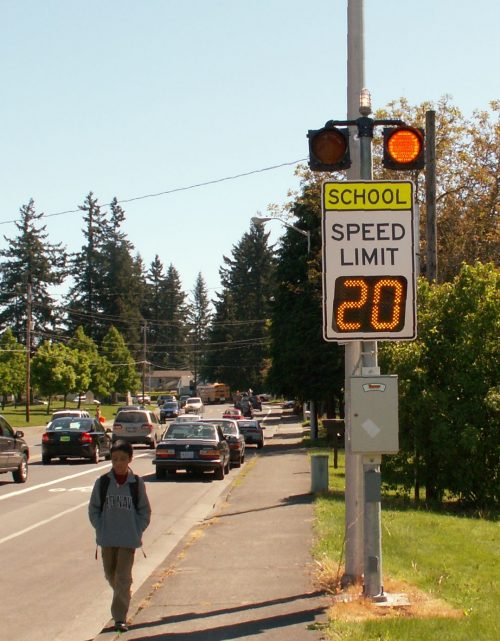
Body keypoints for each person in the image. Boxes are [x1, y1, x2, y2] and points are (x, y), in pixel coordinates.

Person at [88, 440, 151, 633]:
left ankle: (119, 618)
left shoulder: (136, 483)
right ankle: (124, 593)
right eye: (115, 459)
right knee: (111, 574)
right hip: (107, 538)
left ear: (130, 459)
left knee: (123, 578)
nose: (119, 463)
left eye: (123, 459)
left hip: (127, 540)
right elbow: (94, 510)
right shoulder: (103, 483)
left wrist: (136, 529)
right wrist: (101, 528)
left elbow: (144, 511)